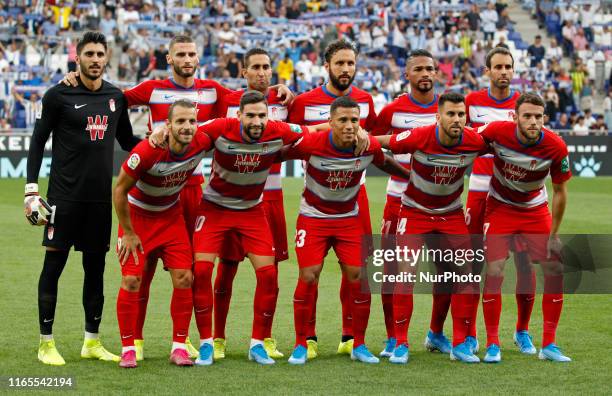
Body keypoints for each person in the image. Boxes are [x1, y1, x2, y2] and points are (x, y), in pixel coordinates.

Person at [25, 31, 140, 366]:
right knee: (53, 267)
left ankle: (92, 340)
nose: (94, 60)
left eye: (100, 54)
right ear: (77, 58)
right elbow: (37, 142)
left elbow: (129, 140)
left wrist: (159, 142)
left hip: (99, 203)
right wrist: (32, 190)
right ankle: (46, 343)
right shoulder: (58, 95)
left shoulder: (116, 98)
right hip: (62, 200)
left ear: (107, 58)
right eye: (88, 54)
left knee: (96, 270)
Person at [190, 91, 320, 366]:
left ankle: (257, 344)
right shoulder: (220, 127)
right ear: (238, 115)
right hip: (215, 208)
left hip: (251, 211)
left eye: (262, 115)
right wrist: (159, 134)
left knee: (269, 274)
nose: (257, 121)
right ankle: (206, 343)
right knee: (201, 271)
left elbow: (310, 132)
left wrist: (347, 131)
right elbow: (187, 132)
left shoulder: (277, 129)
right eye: (250, 115)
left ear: (268, 116)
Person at [280, 96, 411, 365]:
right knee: (308, 275)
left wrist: (410, 177)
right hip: (312, 219)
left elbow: (384, 162)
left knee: (358, 276)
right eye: (342, 120)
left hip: (348, 219)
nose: (349, 125)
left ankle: (359, 345)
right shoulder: (313, 143)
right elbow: (282, 153)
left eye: (354, 120)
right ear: (330, 122)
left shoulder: (367, 146)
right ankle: (300, 344)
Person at [375, 92, 488, 364]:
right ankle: (401, 343)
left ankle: (459, 344)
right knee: (406, 273)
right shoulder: (420, 136)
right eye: (451, 114)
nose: (457, 119)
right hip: (414, 212)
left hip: (451, 214)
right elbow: (380, 142)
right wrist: (352, 139)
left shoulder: (474, 141)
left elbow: (506, 142)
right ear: (438, 117)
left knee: (465, 274)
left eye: (461, 115)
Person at [288, 39, 377, 359]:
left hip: (357, 193)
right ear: (326, 66)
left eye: (350, 63)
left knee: (356, 269)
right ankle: (307, 338)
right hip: (318, 191)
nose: (345, 69)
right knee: (310, 272)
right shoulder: (305, 101)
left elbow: (374, 137)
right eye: (339, 63)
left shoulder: (365, 101)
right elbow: (290, 134)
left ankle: (351, 336)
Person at [113, 100, 213, 368]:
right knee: (132, 280)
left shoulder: (202, 141)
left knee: (184, 277)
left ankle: (179, 347)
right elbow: (119, 190)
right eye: (180, 121)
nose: (187, 127)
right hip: (138, 218)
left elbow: (229, 127)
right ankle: (128, 348)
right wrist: (129, 233)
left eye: (191, 121)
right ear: (167, 125)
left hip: (170, 217)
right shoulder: (147, 151)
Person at [478, 93, 572, 363]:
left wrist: (554, 235)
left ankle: (547, 344)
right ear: (515, 116)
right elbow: (469, 141)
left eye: (538, 117)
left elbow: (560, 191)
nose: (533, 122)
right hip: (500, 207)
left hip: (534, 209)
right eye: (527, 116)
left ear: (545, 118)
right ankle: (493, 343)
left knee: (553, 266)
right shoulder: (497, 131)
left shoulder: (555, 146)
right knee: (494, 269)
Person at [212, 47, 292, 360]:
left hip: (271, 197)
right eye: (255, 67)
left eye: (266, 67)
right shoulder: (226, 101)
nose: (261, 72)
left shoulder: (285, 102)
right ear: (243, 71)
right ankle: (218, 337)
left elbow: (296, 140)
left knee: (270, 272)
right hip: (232, 197)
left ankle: (265, 338)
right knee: (226, 270)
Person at [371, 49, 450, 358]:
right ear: (407, 75)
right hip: (399, 198)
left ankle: (436, 333)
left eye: (430, 68)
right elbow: (373, 146)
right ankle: (393, 337)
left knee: (447, 271)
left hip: (442, 203)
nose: (426, 73)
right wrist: (402, 171)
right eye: (419, 69)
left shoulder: (450, 108)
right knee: (395, 272)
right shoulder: (392, 111)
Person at [464, 47, 537, 356]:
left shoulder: (523, 106)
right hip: (480, 189)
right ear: (487, 71)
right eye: (498, 67)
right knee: (473, 263)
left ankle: (522, 331)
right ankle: (469, 333)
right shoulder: (471, 102)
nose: (504, 71)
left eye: (509, 66)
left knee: (524, 262)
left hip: (514, 194)